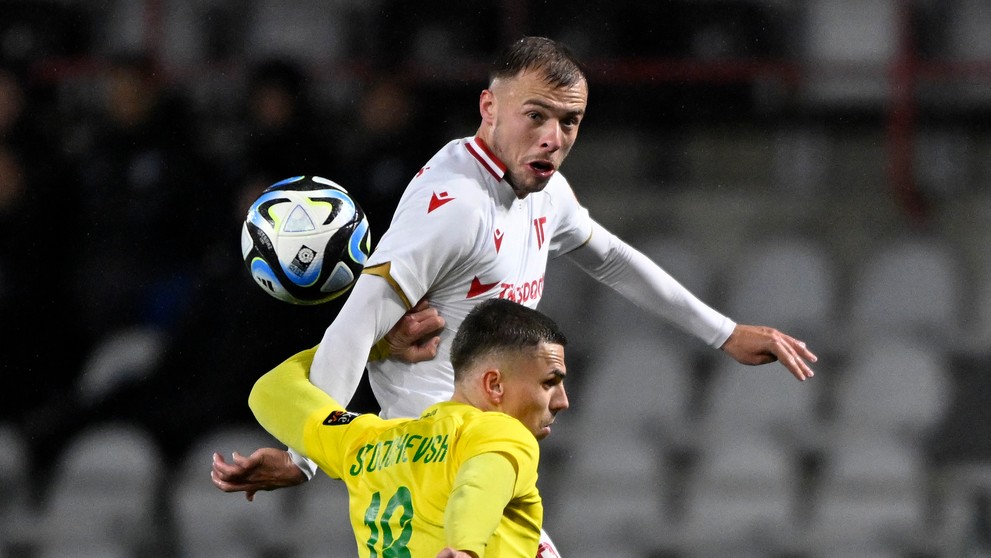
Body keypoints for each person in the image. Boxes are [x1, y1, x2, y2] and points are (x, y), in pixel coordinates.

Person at [217, 36, 817, 555]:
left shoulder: (542, 190)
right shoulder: (454, 207)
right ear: (489, 107)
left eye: (570, 121)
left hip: (476, 453)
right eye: (536, 116)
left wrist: (725, 332)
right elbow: (353, 325)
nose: (553, 138)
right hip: (433, 463)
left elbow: (609, 257)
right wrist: (303, 459)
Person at [215, 299, 570, 557]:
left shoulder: (367, 441)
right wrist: (465, 549)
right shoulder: (502, 433)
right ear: (494, 385)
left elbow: (272, 390)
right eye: (550, 382)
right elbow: (479, 484)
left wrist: (375, 344)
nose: (562, 401)